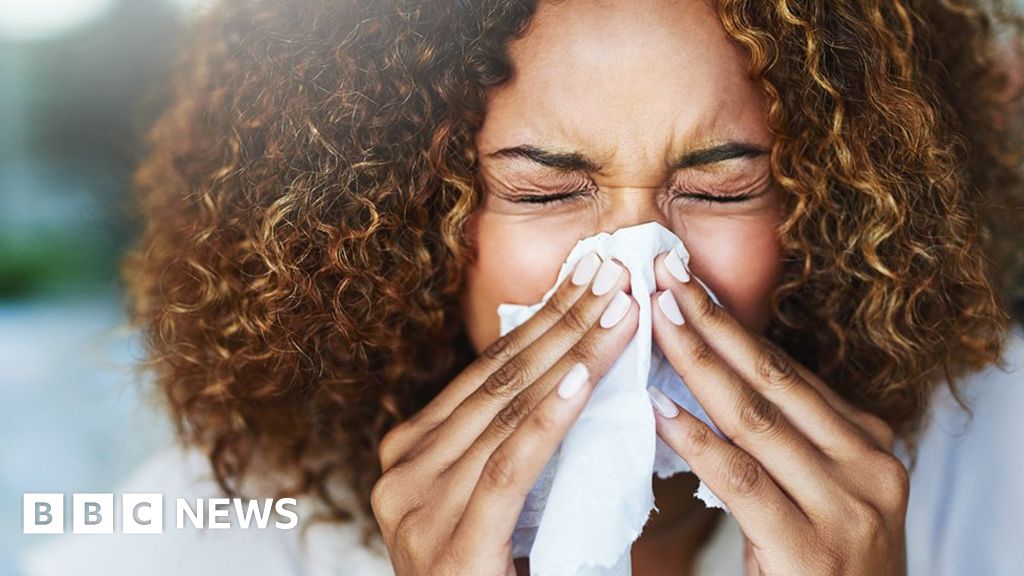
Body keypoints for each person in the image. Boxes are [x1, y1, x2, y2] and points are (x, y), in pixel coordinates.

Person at [20, 0, 1024, 574]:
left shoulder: (993, 464)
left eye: (721, 187)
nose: (637, 269)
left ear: (827, 213)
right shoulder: (194, 546)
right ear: (405, 224)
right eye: (545, 191)